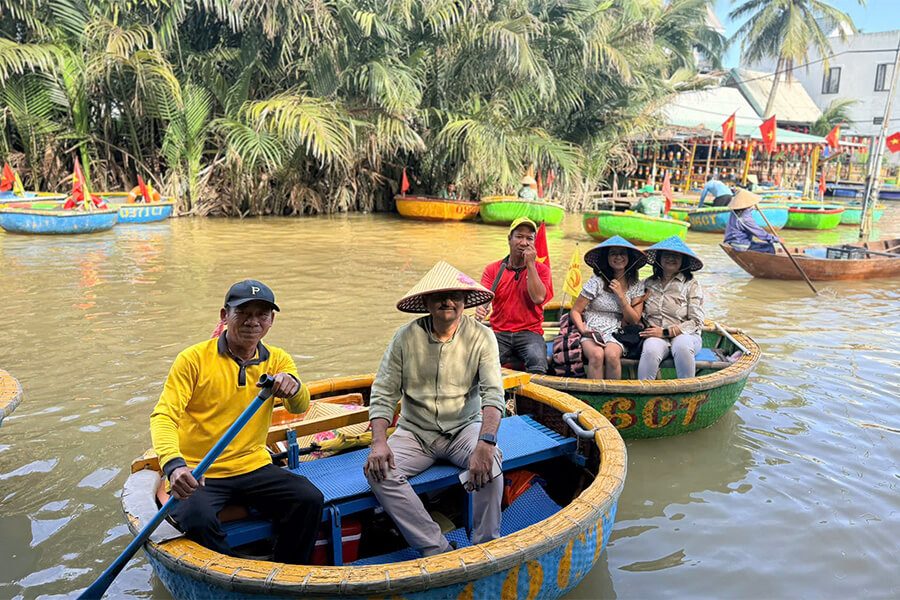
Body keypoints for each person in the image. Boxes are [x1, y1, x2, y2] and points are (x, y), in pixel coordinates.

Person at [150, 280, 324, 563]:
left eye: (261, 314)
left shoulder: (278, 359)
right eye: (243, 312)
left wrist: (293, 387)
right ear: (224, 315)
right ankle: (227, 573)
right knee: (196, 518)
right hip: (201, 469)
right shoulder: (192, 360)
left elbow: (299, 406)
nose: (252, 322)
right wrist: (174, 465)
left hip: (252, 465)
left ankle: (287, 569)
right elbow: (164, 416)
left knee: (308, 499)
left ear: (271, 320)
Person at [364, 261, 505, 557]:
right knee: (378, 471)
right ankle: (436, 548)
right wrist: (378, 442)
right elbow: (384, 392)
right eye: (439, 296)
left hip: (464, 428)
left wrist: (486, 441)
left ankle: (486, 547)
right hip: (415, 433)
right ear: (426, 303)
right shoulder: (405, 337)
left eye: (454, 296)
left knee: (491, 465)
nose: (447, 302)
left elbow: (493, 394)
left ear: (465, 301)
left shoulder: (482, 336)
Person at [475, 217, 553, 374]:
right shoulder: (493, 269)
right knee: (478, 363)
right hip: (499, 332)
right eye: (519, 237)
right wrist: (481, 308)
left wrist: (530, 265)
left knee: (537, 362)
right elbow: (483, 299)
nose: (524, 243)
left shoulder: (542, 270)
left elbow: (538, 298)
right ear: (509, 239)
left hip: (530, 332)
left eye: (529, 238)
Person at [570, 236, 646, 379]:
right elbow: (575, 311)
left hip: (618, 331)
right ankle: (594, 392)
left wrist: (621, 296)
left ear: (629, 257)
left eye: (622, 253)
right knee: (597, 355)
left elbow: (634, 320)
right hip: (592, 329)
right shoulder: (596, 282)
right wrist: (583, 329)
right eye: (613, 253)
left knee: (611, 355)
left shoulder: (635, 285)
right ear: (607, 258)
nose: (618, 257)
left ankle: (613, 393)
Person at [637, 237, 705, 380]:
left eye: (676, 256)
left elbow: (696, 322)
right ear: (659, 258)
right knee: (650, 350)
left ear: (683, 261)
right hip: (655, 335)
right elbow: (637, 311)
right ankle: (643, 390)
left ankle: (686, 390)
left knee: (682, 346)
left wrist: (666, 332)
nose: (670, 259)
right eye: (666, 255)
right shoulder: (647, 283)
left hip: (686, 335)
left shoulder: (691, 284)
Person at [724, 189, 779, 254]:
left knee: (760, 244)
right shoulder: (745, 218)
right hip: (739, 244)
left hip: (732, 241)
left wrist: (751, 208)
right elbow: (759, 232)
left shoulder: (734, 212)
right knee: (769, 247)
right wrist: (775, 239)